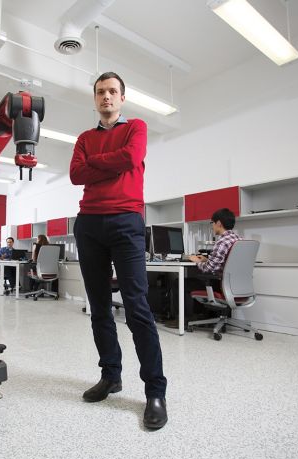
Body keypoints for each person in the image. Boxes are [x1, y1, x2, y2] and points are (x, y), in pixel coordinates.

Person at [70, 71, 167, 430]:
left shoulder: (136, 128)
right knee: (99, 309)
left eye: (112, 92)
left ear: (122, 98)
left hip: (127, 221)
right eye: (100, 92)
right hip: (89, 224)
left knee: (137, 308)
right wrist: (107, 163)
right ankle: (111, 376)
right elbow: (76, 175)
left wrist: (97, 164)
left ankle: (155, 392)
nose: (106, 97)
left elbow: (130, 158)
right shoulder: (83, 138)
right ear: (94, 98)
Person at [189, 208, 243, 292]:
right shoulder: (239, 239)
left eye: (212, 223)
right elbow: (227, 263)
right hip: (237, 286)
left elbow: (208, 269)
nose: (212, 226)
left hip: (222, 286)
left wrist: (197, 261)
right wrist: (206, 260)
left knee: (179, 283)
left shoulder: (222, 242)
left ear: (218, 223)